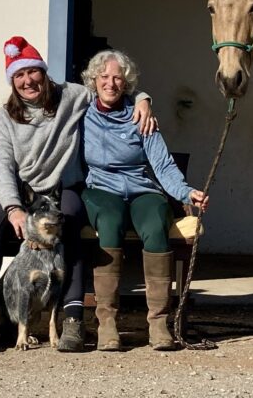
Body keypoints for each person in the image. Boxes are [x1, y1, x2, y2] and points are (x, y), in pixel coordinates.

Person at [0, 35, 156, 353]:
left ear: (43, 71)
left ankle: (73, 320)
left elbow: (110, 87)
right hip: (21, 193)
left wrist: (142, 98)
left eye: (32, 72)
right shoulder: (4, 118)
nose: (27, 81)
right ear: (13, 81)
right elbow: (1, 168)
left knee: (71, 217)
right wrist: (13, 209)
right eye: (19, 75)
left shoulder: (71, 96)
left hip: (62, 189)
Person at [82, 49, 208, 351]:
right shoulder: (81, 112)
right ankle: (107, 324)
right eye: (104, 77)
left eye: (118, 78)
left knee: (154, 223)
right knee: (109, 223)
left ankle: (158, 324)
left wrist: (185, 191)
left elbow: (162, 164)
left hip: (142, 188)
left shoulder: (140, 116)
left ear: (127, 84)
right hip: (101, 188)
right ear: (93, 80)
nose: (110, 83)